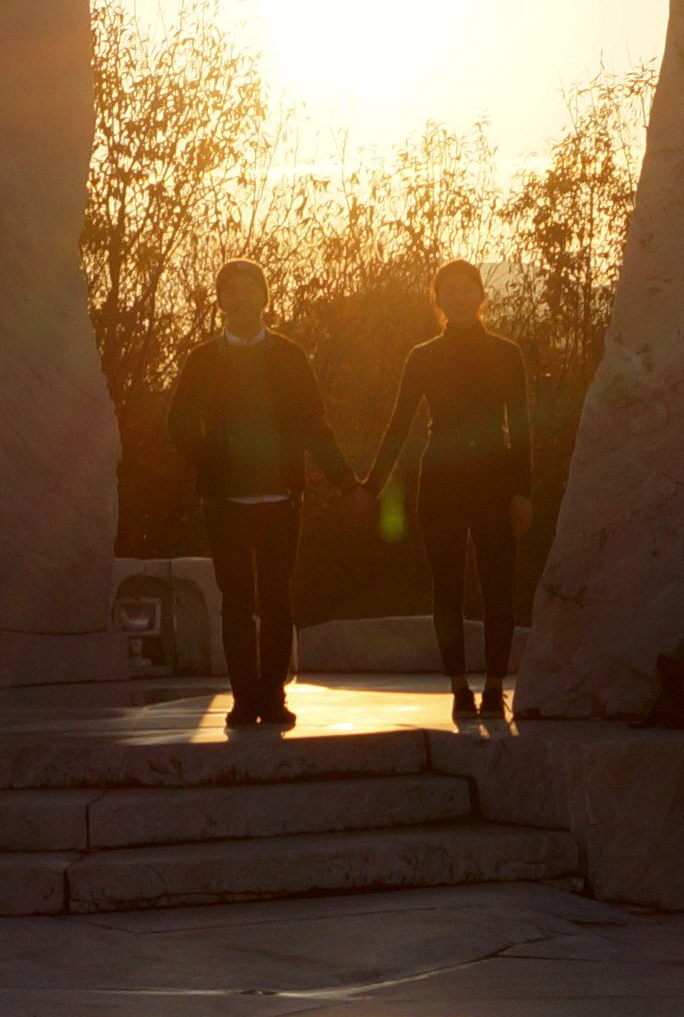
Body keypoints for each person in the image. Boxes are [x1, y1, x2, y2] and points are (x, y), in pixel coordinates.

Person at [166, 262, 359, 730]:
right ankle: (242, 698)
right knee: (235, 602)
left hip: (280, 498)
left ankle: (272, 696)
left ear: (265, 297)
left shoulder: (289, 356)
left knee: (277, 600)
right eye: (233, 291)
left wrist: (347, 484)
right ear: (222, 301)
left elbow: (315, 425)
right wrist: (212, 458)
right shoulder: (203, 359)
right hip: (224, 501)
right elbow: (179, 423)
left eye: (252, 289)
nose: (244, 299)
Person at [363, 260, 533, 722]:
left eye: (468, 290)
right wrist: (370, 485)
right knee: (447, 590)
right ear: (437, 301)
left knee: (499, 588)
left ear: (482, 296)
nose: (459, 298)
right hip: (441, 480)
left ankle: (496, 686)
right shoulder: (423, 356)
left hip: (496, 479)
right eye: (449, 291)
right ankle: (458, 685)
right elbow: (398, 426)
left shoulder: (506, 353)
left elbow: (521, 429)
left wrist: (524, 491)